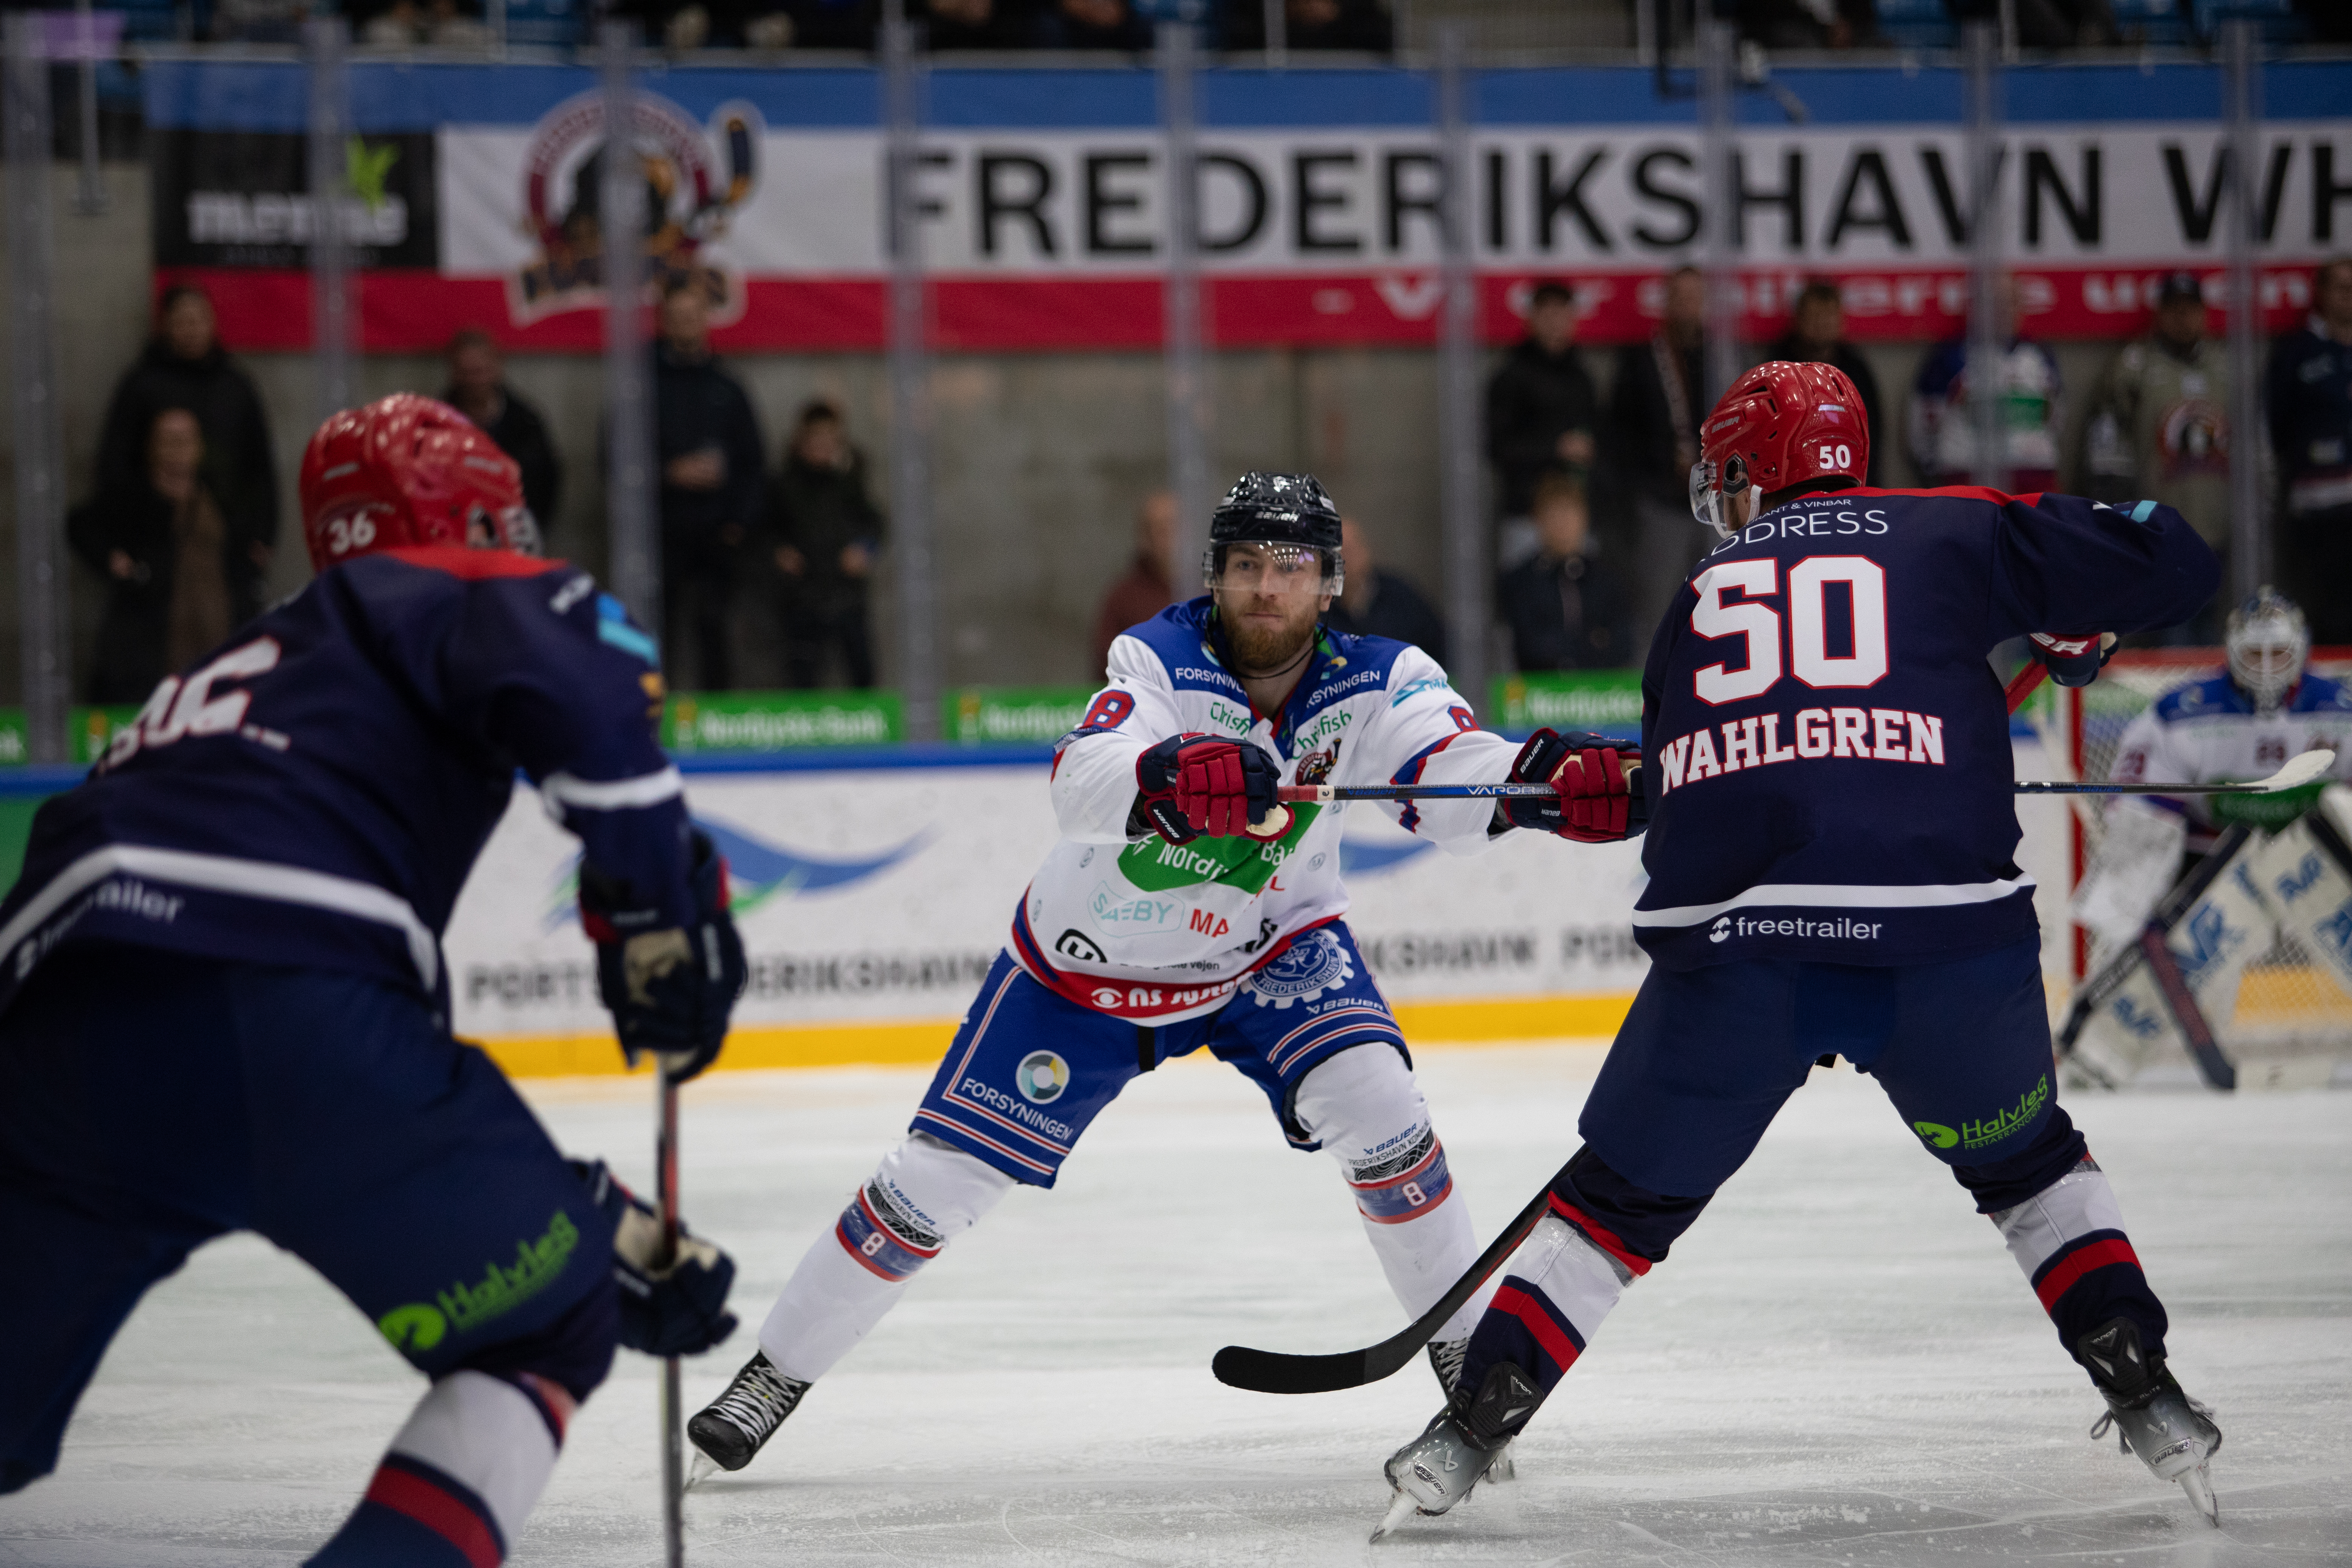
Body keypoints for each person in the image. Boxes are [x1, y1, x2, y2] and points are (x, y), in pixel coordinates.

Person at [1371, 361, 2227, 1540]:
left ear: (1750, 476)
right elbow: (2178, 559)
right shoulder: (1955, 532)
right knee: (2029, 1170)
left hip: (1741, 968)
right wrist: (2078, 616)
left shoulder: (1698, 598)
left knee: (1615, 1213)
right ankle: (2142, 1378)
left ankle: (1468, 1428)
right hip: (1946, 956)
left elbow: (1682, 789)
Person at [684, 472, 1640, 1482]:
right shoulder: (1158, 656)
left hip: (1272, 949)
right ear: (1215, 578)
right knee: (929, 1187)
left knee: (1386, 1112)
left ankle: (1468, 1360)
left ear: (1329, 586)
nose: (1267, 589)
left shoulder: (1383, 676)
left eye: (1291, 569)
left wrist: (1534, 786)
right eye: (1246, 567)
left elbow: (1446, 770)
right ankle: (773, 1375)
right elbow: (1082, 773)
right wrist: (1161, 773)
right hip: (1092, 972)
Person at [0, 394, 747, 1565]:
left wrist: (585, 1218)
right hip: (293, 999)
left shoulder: (227, 674)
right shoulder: (464, 589)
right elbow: (592, 708)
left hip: (51, 1045)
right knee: (542, 1335)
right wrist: (661, 909)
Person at [2073, 588, 2352, 962]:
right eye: (2255, 653)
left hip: (2311, 857)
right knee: (2138, 853)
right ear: (2233, 649)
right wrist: (2130, 900)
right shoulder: (2182, 712)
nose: (2267, 666)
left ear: (2301, 649)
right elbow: (2143, 814)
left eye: (2279, 652)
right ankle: (2122, 973)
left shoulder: (2341, 711)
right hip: (2208, 858)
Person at [68, 407, 272, 704]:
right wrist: (116, 562)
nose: (177, 453)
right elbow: (81, 524)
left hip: (219, 656)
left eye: (185, 442)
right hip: (146, 667)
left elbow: (252, 539)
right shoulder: (133, 501)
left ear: (200, 448)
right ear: (152, 449)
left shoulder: (219, 502)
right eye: (168, 442)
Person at [2080, 273, 2231, 635]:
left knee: (2215, 630)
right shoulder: (2132, 366)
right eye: (2174, 309)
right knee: (2169, 631)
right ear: (2160, 314)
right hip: (2158, 527)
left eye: (2191, 309)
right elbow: (2106, 441)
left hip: (2218, 524)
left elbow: (2254, 441)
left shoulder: (2226, 367)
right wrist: (2114, 509)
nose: (2183, 318)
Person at [96, 284, 279, 578]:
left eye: (200, 320)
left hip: (230, 538)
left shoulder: (236, 387)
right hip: (156, 537)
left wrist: (263, 534)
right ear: (166, 325)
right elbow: (116, 462)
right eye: (183, 321)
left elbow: (259, 464)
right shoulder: (142, 385)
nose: (192, 330)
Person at [651, 279, 765, 692]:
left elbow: (753, 460)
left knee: (715, 627)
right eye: (677, 316)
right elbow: (615, 460)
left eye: (692, 316)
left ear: (705, 320)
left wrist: (737, 522)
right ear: (664, 321)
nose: (685, 325)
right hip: (660, 532)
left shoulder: (726, 387)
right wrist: (668, 472)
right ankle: (652, 721)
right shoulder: (642, 387)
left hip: (716, 533)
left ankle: (717, 719)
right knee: (655, 631)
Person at [1606, 265, 1712, 639]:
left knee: (1720, 599)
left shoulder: (1723, 356)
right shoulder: (1644, 358)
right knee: (1656, 605)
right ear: (1666, 302)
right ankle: (1652, 690)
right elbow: (1620, 429)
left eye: (1694, 296)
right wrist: (1653, 473)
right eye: (1679, 296)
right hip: (1661, 499)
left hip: (1717, 501)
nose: (1687, 305)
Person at [1908, 273, 2065, 493]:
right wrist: (1933, 473)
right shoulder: (1951, 358)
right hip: (1967, 477)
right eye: (1994, 303)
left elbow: (2057, 419)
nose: (2003, 311)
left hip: (2033, 477)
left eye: (2010, 302)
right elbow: (1922, 424)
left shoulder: (2041, 356)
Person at [769, 399, 885, 690]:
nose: (822, 447)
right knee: (804, 672)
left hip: (846, 591)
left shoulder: (850, 479)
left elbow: (875, 522)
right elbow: (766, 529)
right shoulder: (785, 483)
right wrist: (780, 552)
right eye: (815, 439)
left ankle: (869, 727)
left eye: (830, 440)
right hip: (803, 592)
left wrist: (864, 550)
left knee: (861, 668)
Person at [2266, 256, 2352, 645]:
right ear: (2321, 293)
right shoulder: (2297, 353)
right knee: (2332, 610)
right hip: (2321, 506)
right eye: (2342, 288)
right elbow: (2275, 424)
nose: (2350, 297)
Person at [1487, 280, 1601, 568]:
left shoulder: (1582, 377)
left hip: (1577, 511)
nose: (1555, 324)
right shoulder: (1510, 377)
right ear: (1532, 318)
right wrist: (1556, 449)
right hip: (1526, 515)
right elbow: (1498, 448)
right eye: (1547, 315)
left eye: (1562, 315)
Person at [1495, 471, 1635, 672]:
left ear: (1584, 518)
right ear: (1538, 520)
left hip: (1600, 696)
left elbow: (1622, 647)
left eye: (1569, 513)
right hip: (1538, 698)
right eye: (1553, 513)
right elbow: (1531, 646)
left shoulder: (1608, 581)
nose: (1562, 523)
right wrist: (1592, 641)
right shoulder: (1519, 583)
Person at [1764, 281, 1886, 486]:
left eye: (1829, 315)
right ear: (1799, 318)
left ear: (1841, 321)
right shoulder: (1775, 369)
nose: (1821, 324)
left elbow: (1871, 434)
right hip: (1788, 484)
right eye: (1814, 315)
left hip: (1845, 481)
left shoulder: (1857, 371)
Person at [443, 328, 562, 531]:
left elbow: (545, 483)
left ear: (498, 368)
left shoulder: (526, 424)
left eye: (482, 371)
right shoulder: (434, 424)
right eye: (469, 373)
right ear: (455, 372)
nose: (477, 381)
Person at [1322, 517, 1447, 664]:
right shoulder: (1322, 606)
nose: (1342, 562)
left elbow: (1440, 645)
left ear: (1365, 551)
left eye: (1348, 552)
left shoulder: (1399, 594)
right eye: (1334, 555)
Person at [1089, 490, 1176, 678]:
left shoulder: (1207, 591)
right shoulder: (1123, 599)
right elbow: (1107, 664)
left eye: (1176, 528)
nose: (1171, 539)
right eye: (1161, 530)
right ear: (1145, 537)